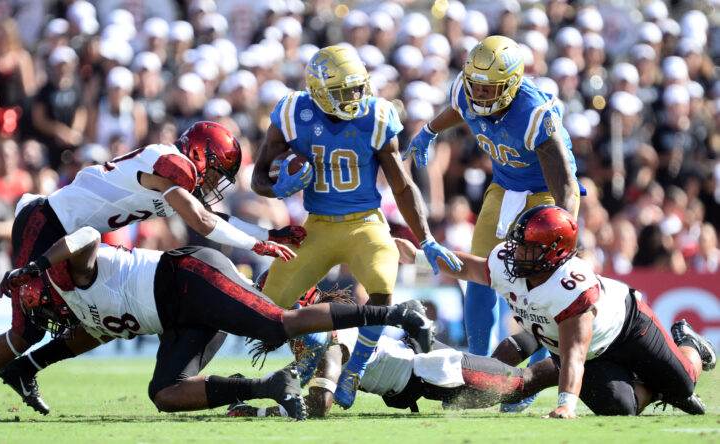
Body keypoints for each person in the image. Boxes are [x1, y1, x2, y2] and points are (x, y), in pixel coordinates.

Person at [0, 121, 302, 420]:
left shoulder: (173, 173)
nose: (212, 182)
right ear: (199, 153)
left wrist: (268, 232)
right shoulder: (173, 165)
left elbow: (214, 217)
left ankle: (24, 369)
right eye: (216, 170)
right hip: (47, 224)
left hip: (72, 236)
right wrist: (258, 244)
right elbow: (205, 221)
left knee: (105, 317)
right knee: (26, 329)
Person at [0, 226, 435, 421]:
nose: (50, 318)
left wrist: (37, 264)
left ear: (50, 284)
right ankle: (269, 386)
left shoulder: (73, 272)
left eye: (46, 307)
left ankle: (394, 313)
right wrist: (32, 364)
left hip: (188, 277)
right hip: (176, 318)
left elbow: (86, 233)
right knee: (164, 394)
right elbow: (84, 335)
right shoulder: (81, 315)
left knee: (274, 324)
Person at [251, 45, 460, 408]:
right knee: (267, 309)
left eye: (358, 87)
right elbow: (258, 178)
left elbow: (402, 185)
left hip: (366, 222)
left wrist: (425, 238)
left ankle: (355, 369)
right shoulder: (292, 112)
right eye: (344, 91)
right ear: (318, 91)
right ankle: (317, 349)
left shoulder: (377, 115)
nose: (355, 97)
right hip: (316, 226)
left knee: (381, 282)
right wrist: (277, 188)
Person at [395, 205, 716, 417]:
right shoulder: (508, 265)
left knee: (685, 384)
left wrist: (566, 405)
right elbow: (466, 267)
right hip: (579, 348)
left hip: (627, 328)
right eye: (518, 242)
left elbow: (574, 352)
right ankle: (654, 383)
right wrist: (417, 258)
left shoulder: (571, 287)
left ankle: (688, 342)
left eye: (528, 247)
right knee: (620, 408)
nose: (516, 252)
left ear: (554, 254)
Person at [404, 35, 583, 410]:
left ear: (513, 83)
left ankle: (528, 382)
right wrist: (431, 130)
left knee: (542, 284)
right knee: (479, 273)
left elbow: (565, 183)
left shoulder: (534, 113)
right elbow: (459, 105)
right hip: (504, 186)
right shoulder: (466, 90)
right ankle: (477, 372)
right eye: (477, 86)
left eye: (491, 89)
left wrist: (564, 234)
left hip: (545, 194)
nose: (481, 95)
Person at [227, 289, 559, 418]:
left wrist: (259, 413)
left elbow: (321, 405)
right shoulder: (322, 336)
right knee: (500, 372)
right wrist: (248, 391)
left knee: (519, 384)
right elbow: (295, 382)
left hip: (436, 372)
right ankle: (545, 331)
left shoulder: (328, 338)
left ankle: (578, 354)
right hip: (424, 382)